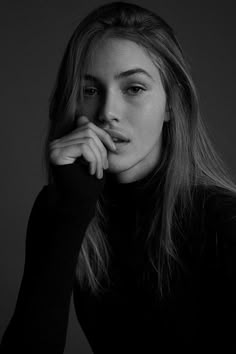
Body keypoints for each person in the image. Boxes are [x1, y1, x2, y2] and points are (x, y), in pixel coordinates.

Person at [1, 1, 236, 353]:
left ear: (172, 103)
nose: (108, 113)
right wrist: (70, 213)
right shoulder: (62, 208)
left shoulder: (223, 222)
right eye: (91, 90)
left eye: (134, 89)